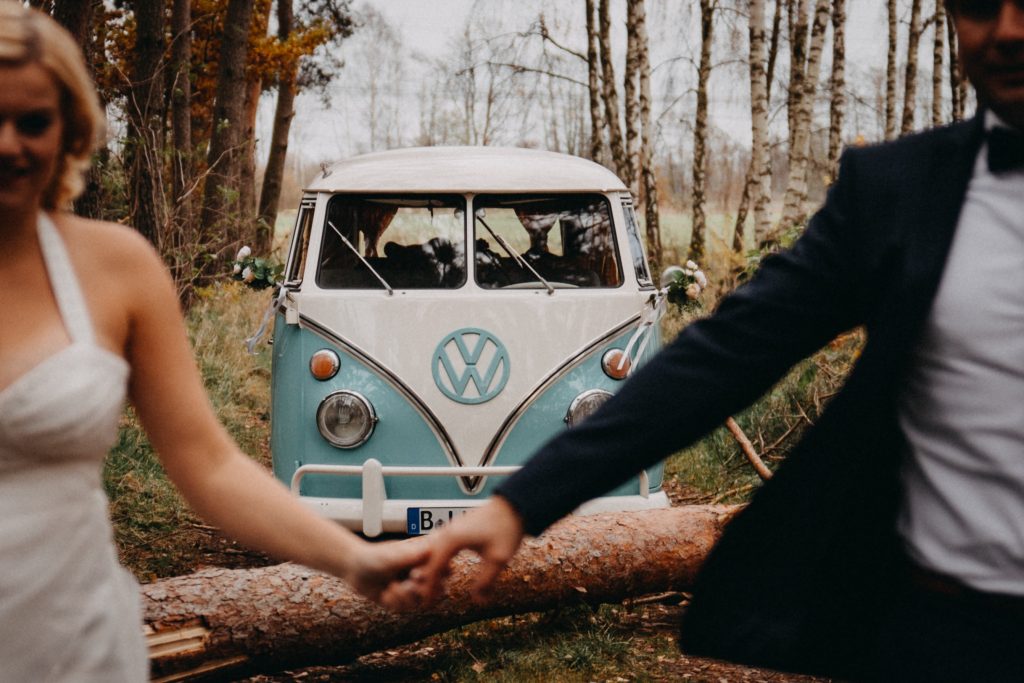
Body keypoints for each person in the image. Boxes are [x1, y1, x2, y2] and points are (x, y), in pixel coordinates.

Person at [409, 1, 1024, 680]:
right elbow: (726, 353)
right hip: (942, 635)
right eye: (977, 5)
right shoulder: (897, 192)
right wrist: (520, 502)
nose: (1006, 31)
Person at [0, 5, 427, 681]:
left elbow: (211, 467)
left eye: (32, 122)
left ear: (69, 129)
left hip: (78, 643)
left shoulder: (117, 267)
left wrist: (357, 558)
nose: (9, 144)